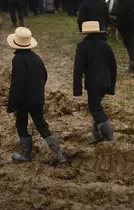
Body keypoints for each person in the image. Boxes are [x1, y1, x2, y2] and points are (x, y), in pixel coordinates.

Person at [7, 27, 66, 163]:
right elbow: (44, 75)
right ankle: (58, 154)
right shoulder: (37, 58)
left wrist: (12, 105)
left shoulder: (17, 59)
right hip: (37, 98)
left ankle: (25, 154)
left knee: (21, 124)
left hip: (23, 100)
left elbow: (17, 83)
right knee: (41, 124)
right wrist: (38, 91)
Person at [73, 21, 116, 142]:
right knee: (95, 105)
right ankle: (97, 134)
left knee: (94, 108)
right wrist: (111, 86)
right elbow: (113, 66)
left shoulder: (82, 46)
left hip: (93, 83)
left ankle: (108, 137)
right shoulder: (105, 45)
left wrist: (77, 90)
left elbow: (78, 68)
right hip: (106, 81)